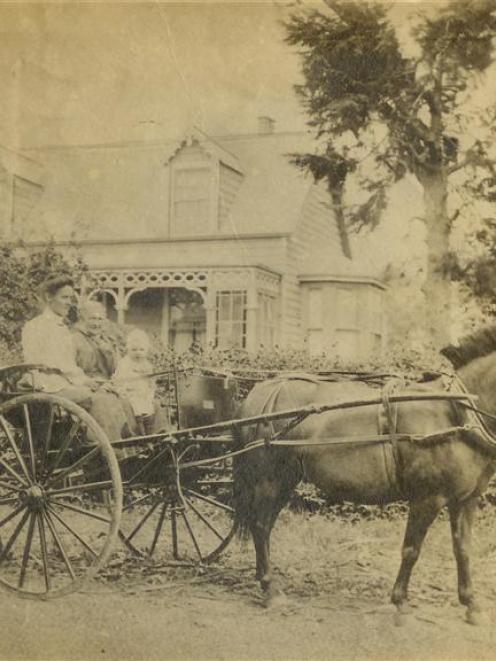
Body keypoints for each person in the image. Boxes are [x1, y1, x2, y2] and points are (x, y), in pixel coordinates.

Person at [22, 275, 137, 442]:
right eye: (64, 297)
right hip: (47, 385)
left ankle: (129, 444)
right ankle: (106, 449)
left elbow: (68, 365)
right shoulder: (37, 326)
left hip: (63, 384)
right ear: (49, 297)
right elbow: (48, 363)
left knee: (115, 396)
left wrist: (89, 381)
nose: (69, 302)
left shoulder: (61, 327)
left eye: (71, 298)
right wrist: (83, 381)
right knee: (101, 400)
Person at [113, 329, 165, 435]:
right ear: (128, 350)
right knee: (136, 407)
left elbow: (151, 383)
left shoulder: (147, 365)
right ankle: (140, 432)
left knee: (153, 406)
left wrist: (150, 394)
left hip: (144, 394)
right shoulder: (124, 363)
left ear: (146, 351)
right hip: (129, 393)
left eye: (141, 350)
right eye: (134, 350)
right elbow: (119, 380)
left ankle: (155, 432)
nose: (138, 353)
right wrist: (124, 390)